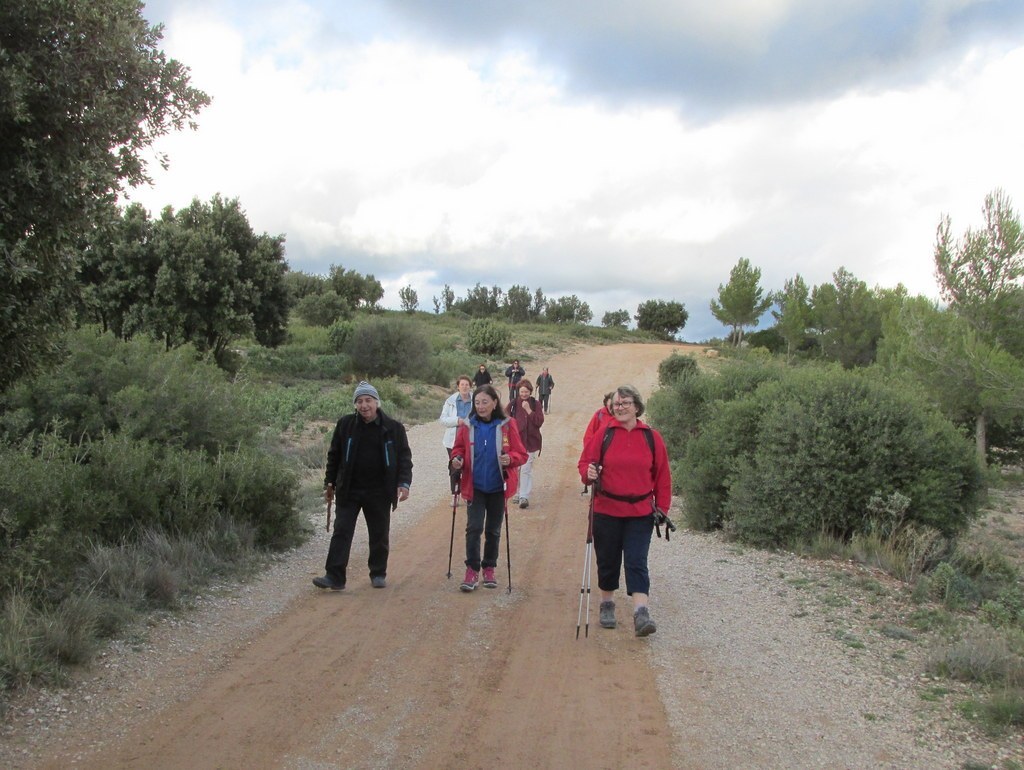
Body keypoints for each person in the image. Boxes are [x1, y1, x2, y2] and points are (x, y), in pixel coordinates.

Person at [578, 385, 671, 637]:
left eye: (625, 403)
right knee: (607, 560)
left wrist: (662, 508)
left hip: (640, 512)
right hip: (606, 510)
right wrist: (588, 473)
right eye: (617, 404)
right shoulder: (604, 433)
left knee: (636, 561)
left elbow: (662, 475)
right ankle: (606, 603)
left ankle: (641, 613)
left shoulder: (652, 437)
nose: (619, 407)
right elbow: (585, 462)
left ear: (637, 407)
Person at [315, 381, 413, 591]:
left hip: (379, 491)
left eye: (368, 400)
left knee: (378, 533)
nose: (364, 405)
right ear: (355, 405)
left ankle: (378, 572)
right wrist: (329, 482)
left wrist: (403, 483)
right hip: (349, 489)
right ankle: (334, 577)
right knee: (341, 531)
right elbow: (334, 455)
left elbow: (404, 458)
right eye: (359, 401)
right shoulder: (345, 425)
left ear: (377, 402)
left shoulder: (393, 428)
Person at [449, 384, 527, 592]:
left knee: (493, 530)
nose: (481, 406)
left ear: (494, 403)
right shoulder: (467, 425)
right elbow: (458, 449)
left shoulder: (508, 425)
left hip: (498, 487)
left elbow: (522, 455)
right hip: (474, 486)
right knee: (474, 528)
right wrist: (456, 458)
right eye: (477, 402)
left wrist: (510, 458)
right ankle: (472, 570)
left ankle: (489, 567)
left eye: (485, 402)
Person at [507, 379, 544, 509]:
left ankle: (524, 496)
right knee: (516, 468)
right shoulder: (513, 404)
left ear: (530, 392)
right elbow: (505, 420)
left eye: (526, 392)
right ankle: (516, 492)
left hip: (531, 441)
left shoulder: (536, 404)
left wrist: (528, 410)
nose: (524, 394)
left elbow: (539, 421)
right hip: (516, 442)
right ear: (518, 392)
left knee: (526, 469)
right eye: (522, 391)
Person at [440, 375, 474, 494]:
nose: (464, 387)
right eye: (462, 385)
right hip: (453, 440)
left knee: (469, 466)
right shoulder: (450, 401)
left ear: (470, 386)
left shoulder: (476, 400)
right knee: (455, 467)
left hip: (471, 439)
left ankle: (467, 491)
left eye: (467, 385)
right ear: (458, 387)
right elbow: (443, 419)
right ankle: (455, 493)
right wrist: (457, 421)